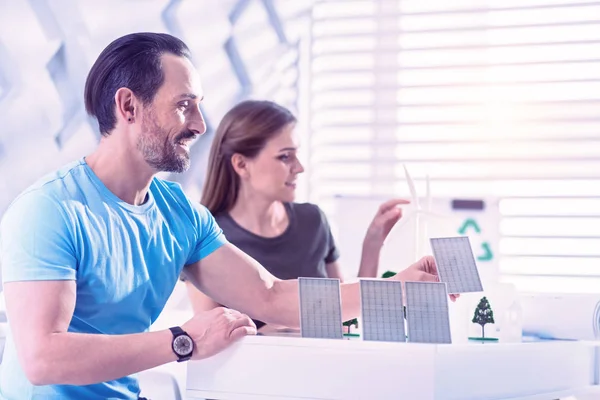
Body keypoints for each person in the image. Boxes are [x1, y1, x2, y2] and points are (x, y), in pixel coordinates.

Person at [0, 32, 443, 399]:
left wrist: (395, 289)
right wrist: (185, 340)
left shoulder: (180, 216)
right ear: (129, 106)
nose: (200, 124)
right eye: (183, 105)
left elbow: (272, 297)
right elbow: (43, 359)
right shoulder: (50, 210)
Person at [184, 100, 411, 331]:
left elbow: (348, 318)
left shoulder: (312, 221)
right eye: (285, 156)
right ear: (242, 164)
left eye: (297, 155)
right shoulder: (207, 239)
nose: (300, 167)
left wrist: (372, 243)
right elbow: (212, 338)